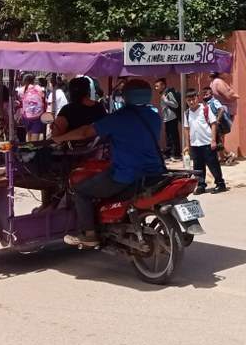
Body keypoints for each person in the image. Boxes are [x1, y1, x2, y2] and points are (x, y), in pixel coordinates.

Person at [53, 78, 166, 247]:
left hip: (126, 174)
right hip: (154, 172)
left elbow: (85, 133)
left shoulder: (117, 118)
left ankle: (89, 234)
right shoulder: (154, 115)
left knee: (81, 191)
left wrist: (59, 138)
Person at [183, 90, 227, 194]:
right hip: (195, 144)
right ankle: (201, 185)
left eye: (193, 99)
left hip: (207, 143)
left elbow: (213, 124)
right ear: (186, 101)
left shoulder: (205, 109)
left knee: (213, 164)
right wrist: (187, 145)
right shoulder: (187, 113)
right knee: (198, 166)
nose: (191, 102)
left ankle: (220, 183)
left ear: (197, 98)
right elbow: (186, 129)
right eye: (189, 100)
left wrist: (213, 141)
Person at [154, 78, 181, 161]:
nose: (156, 88)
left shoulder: (168, 93)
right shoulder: (164, 93)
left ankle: (176, 154)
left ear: (163, 85)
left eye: (157, 86)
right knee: (168, 137)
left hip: (172, 117)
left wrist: (166, 100)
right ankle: (170, 153)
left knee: (173, 136)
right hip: (167, 118)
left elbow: (175, 105)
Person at [17, 73, 47, 141]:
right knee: (35, 133)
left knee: (28, 133)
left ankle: (29, 148)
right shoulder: (39, 88)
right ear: (33, 80)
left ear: (24, 80)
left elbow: (20, 102)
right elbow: (44, 100)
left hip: (26, 116)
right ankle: (34, 149)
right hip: (38, 116)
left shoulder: (21, 90)